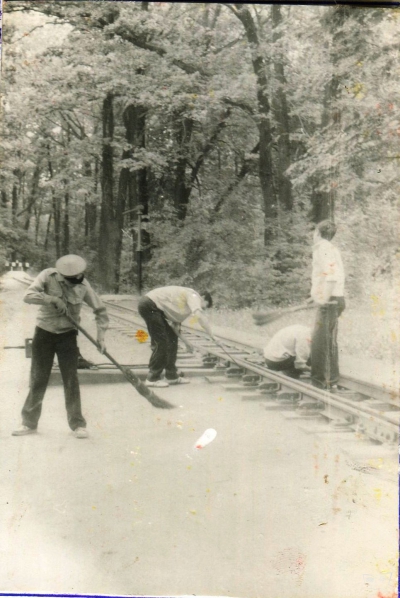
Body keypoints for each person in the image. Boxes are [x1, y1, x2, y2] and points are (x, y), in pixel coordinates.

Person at [12, 254, 109, 439]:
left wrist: (101, 337)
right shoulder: (47, 276)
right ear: (62, 275)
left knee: (71, 379)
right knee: (38, 378)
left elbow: (100, 309)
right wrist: (50, 299)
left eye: (78, 278)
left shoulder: (83, 284)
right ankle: (28, 423)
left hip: (67, 335)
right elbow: (28, 295)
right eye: (70, 279)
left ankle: (78, 425)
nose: (75, 281)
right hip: (44, 333)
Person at [138, 286, 214, 387]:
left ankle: (171, 376)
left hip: (154, 307)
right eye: (203, 307)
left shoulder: (183, 306)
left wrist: (187, 343)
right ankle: (152, 379)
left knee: (172, 339)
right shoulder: (193, 295)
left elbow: (175, 327)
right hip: (150, 305)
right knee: (161, 342)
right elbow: (199, 316)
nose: (201, 309)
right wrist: (212, 336)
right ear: (203, 297)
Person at [310, 220, 345, 390]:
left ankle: (319, 382)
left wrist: (323, 297)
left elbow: (330, 276)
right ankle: (331, 379)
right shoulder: (332, 248)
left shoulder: (322, 248)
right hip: (336, 298)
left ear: (317, 232)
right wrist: (315, 295)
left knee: (319, 341)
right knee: (329, 340)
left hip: (330, 300)